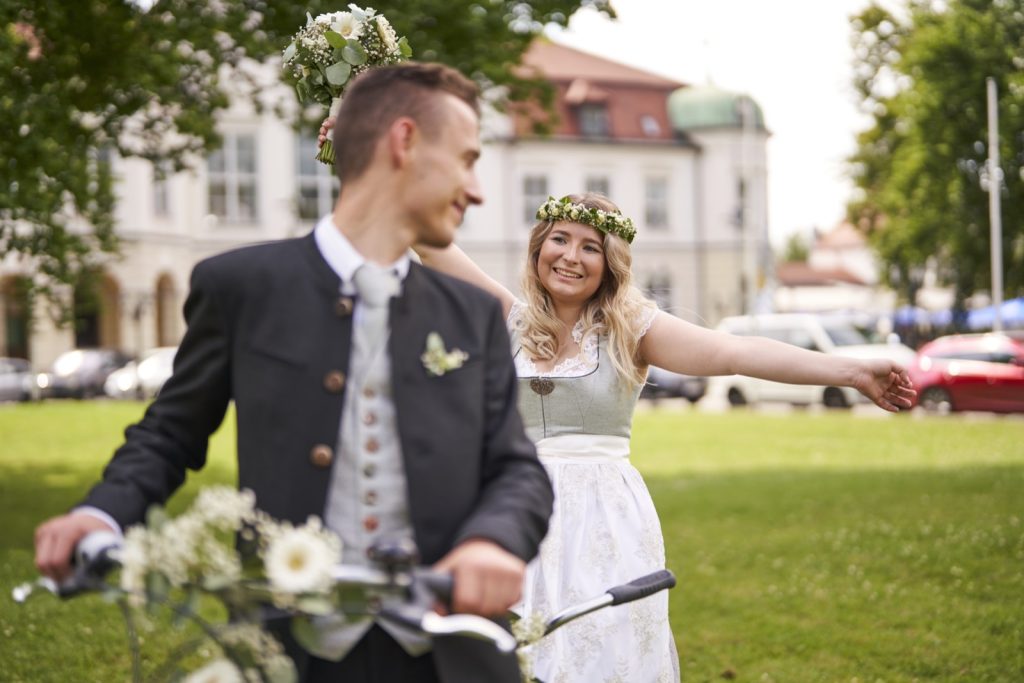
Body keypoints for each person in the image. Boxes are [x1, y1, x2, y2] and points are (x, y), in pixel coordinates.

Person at [33, 62, 554, 683]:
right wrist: (99, 515)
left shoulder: (471, 315)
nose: (477, 190)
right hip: (290, 647)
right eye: (467, 159)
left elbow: (517, 467)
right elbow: (170, 432)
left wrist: (492, 540)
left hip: (444, 649)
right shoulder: (241, 287)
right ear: (404, 140)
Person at [413, 192, 916, 682]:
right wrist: (356, 154)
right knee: (510, 650)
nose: (570, 256)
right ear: (538, 248)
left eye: (590, 247)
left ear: (609, 264)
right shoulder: (508, 319)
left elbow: (735, 352)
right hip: (511, 508)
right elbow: (429, 241)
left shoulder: (631, 330)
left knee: (601, 651)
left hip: (603, 518)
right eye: (559, 239)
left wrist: (850, 370)